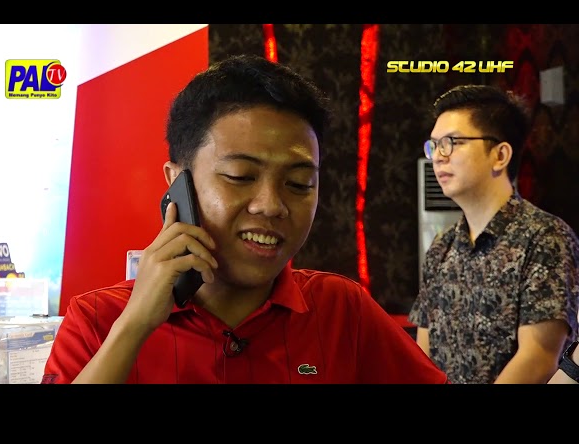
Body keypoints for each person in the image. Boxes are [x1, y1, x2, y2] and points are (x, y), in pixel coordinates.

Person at [41, 54, 448, 384]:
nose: (271, 205)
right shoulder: (98, 319)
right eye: (240, 176)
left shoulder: (342, 310)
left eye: (299, 183)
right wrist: (134, 327)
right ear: (177, 183)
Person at [409, 84, 579, 384]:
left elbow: (539, 358)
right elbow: (423, 356)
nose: (438, 157)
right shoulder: (442, 246)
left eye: (451, 142)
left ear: (500, 155)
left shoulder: (546, 238)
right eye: (433, 145)